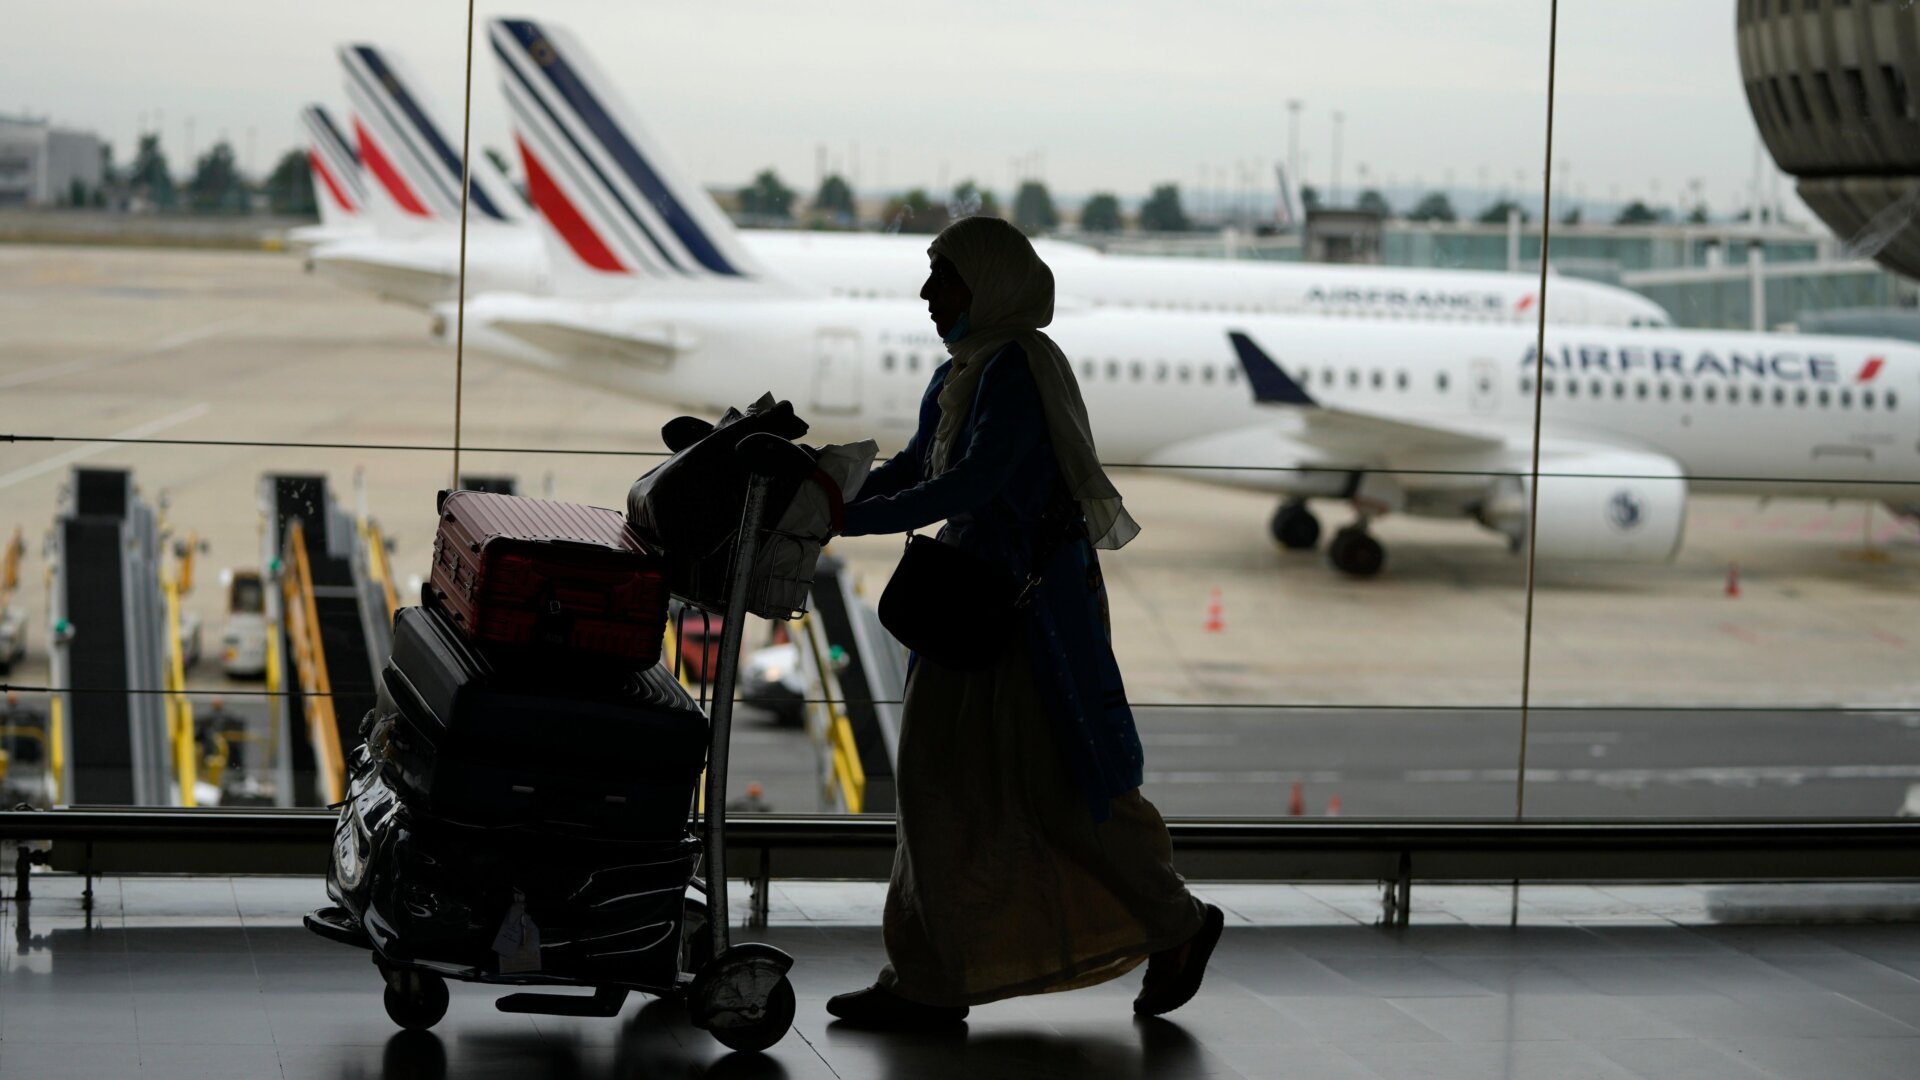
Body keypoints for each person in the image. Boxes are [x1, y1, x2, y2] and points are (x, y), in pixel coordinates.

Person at [825, 216, 1223, 1029]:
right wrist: (829, 495)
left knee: (1054, 789)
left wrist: (849, 520)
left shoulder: (1015, 372)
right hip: (975, 603)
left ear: (993, 284)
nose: (929, 295)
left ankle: (1175, 923)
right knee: (943, 788)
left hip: (1025, 617)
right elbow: (918, 467)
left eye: (946, 279)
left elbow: (971, 486)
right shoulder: (963, 374)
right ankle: (931, 978)